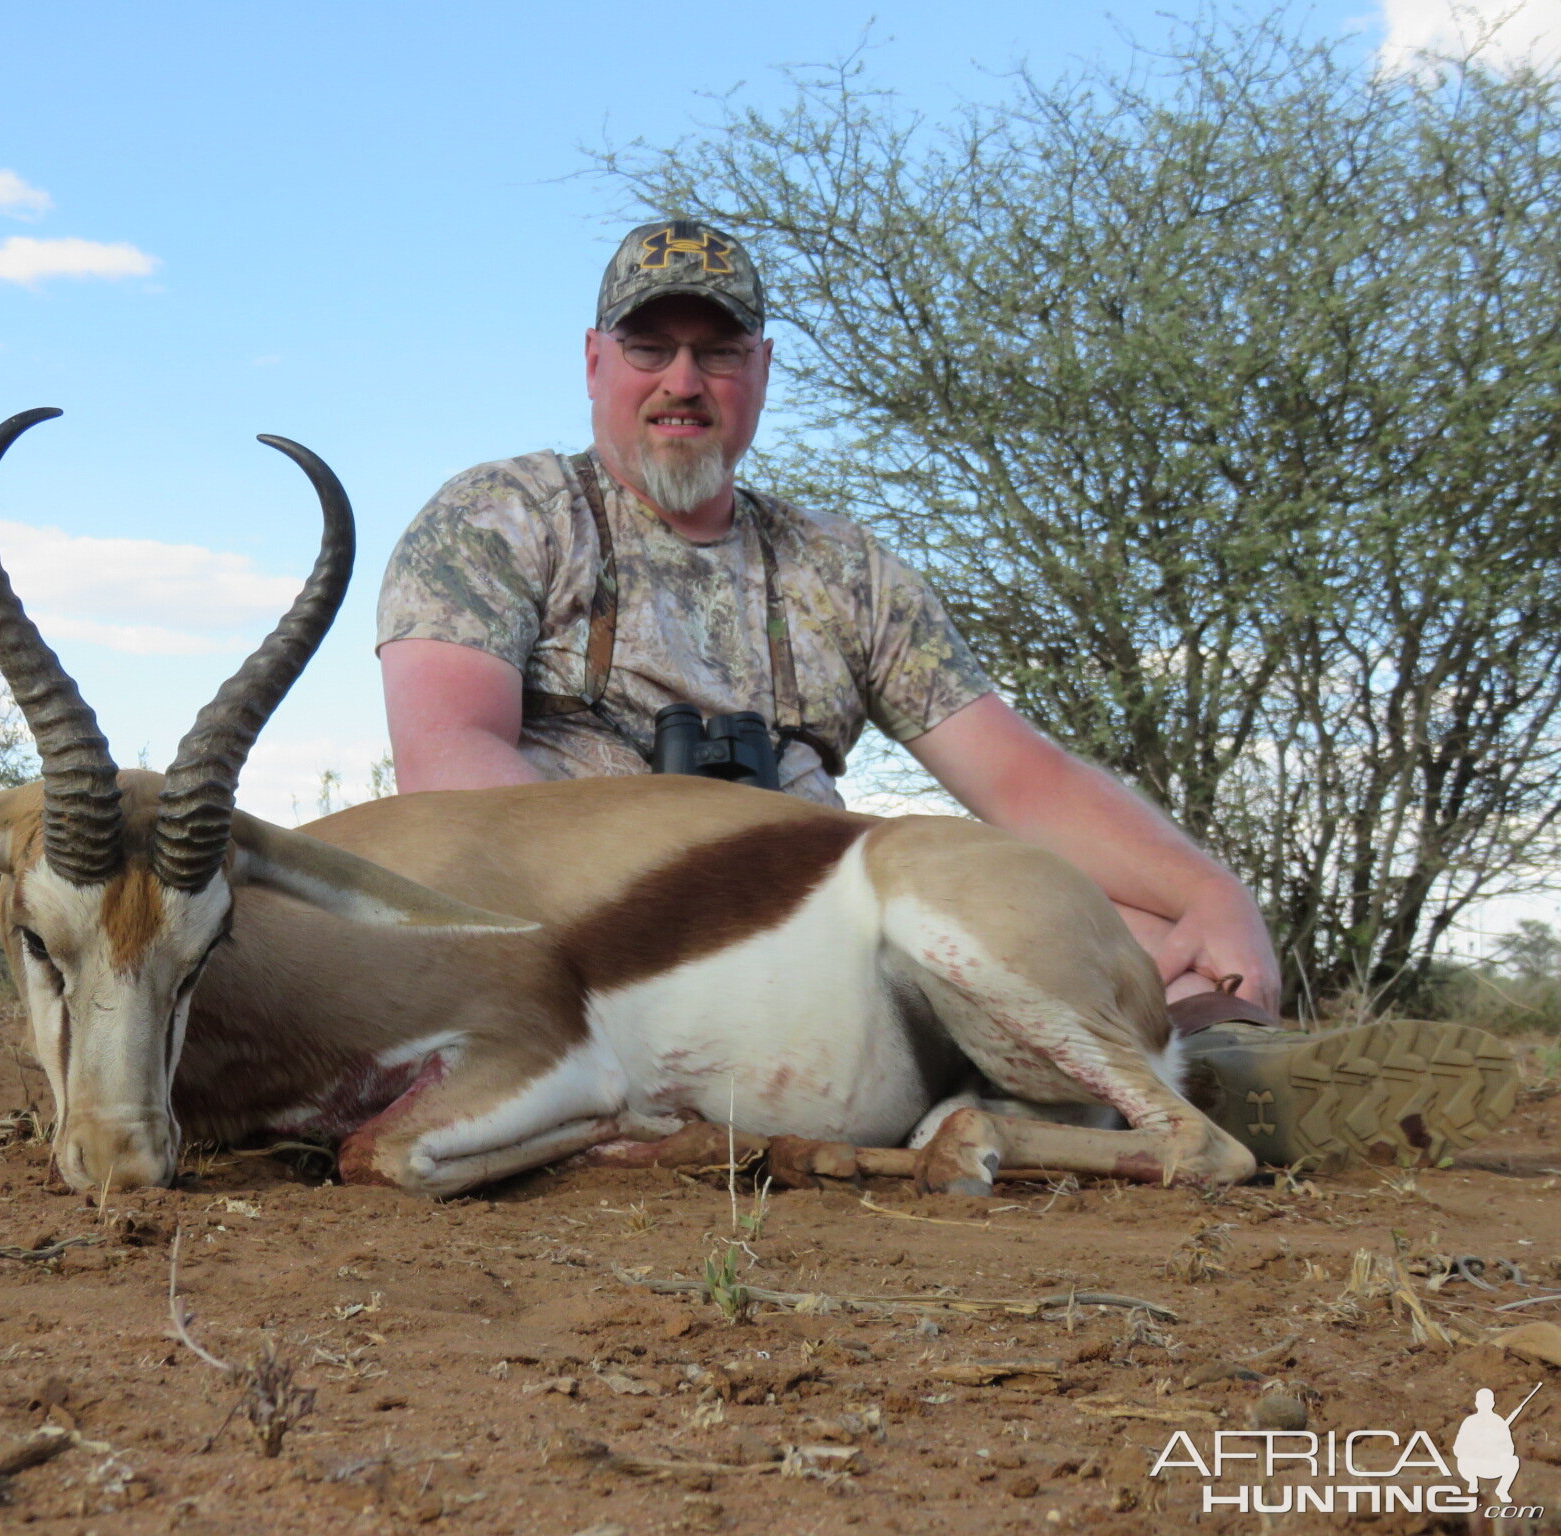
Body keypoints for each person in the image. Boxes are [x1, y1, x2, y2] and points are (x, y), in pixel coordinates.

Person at [375, 218, 1517, 1170]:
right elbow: (450, 771)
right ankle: (1142, 1084)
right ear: (593, 363)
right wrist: (651, 902)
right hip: (589, 952)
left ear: (759, 372)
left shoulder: (843, 568)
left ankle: (1185, 1054)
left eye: (716, 354)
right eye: (649, 348)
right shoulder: (500, 517)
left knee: (1114, 918)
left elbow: (1017, 779)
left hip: (809, 951)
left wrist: (1206, 892)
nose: (683, 382)